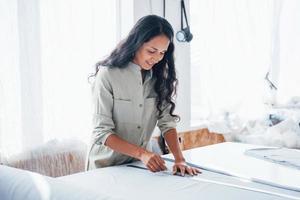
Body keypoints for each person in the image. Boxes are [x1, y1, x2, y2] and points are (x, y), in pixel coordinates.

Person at [86, 15, 200, 176]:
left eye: (162, 53)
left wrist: (179, 159)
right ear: (136, 43)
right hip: (105, 166)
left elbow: (167, 123)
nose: (157, 58)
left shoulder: (159, 78)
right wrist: (143, 154)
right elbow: (102, 132)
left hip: (140, 166)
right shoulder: (108, 75)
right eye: (151, 51)